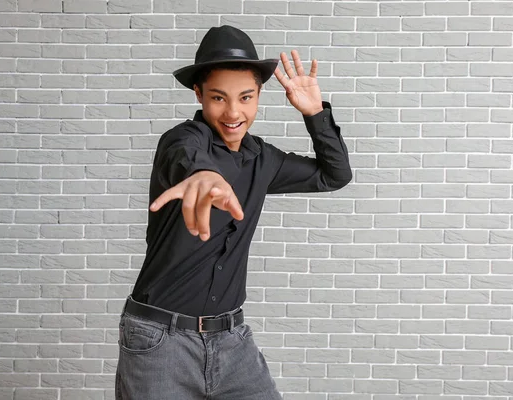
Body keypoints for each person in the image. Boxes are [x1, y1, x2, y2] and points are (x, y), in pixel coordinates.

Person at [115, 25, 352, 400]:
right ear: (199, 94)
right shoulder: (182, 140)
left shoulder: (264, 159)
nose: (233, 112)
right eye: (218, 98)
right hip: (160, 342)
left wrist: (314, 115)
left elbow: (333, 175)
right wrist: (205, 176)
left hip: (233, 340)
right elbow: (187, 158)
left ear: (259, 95)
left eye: (245, 97)